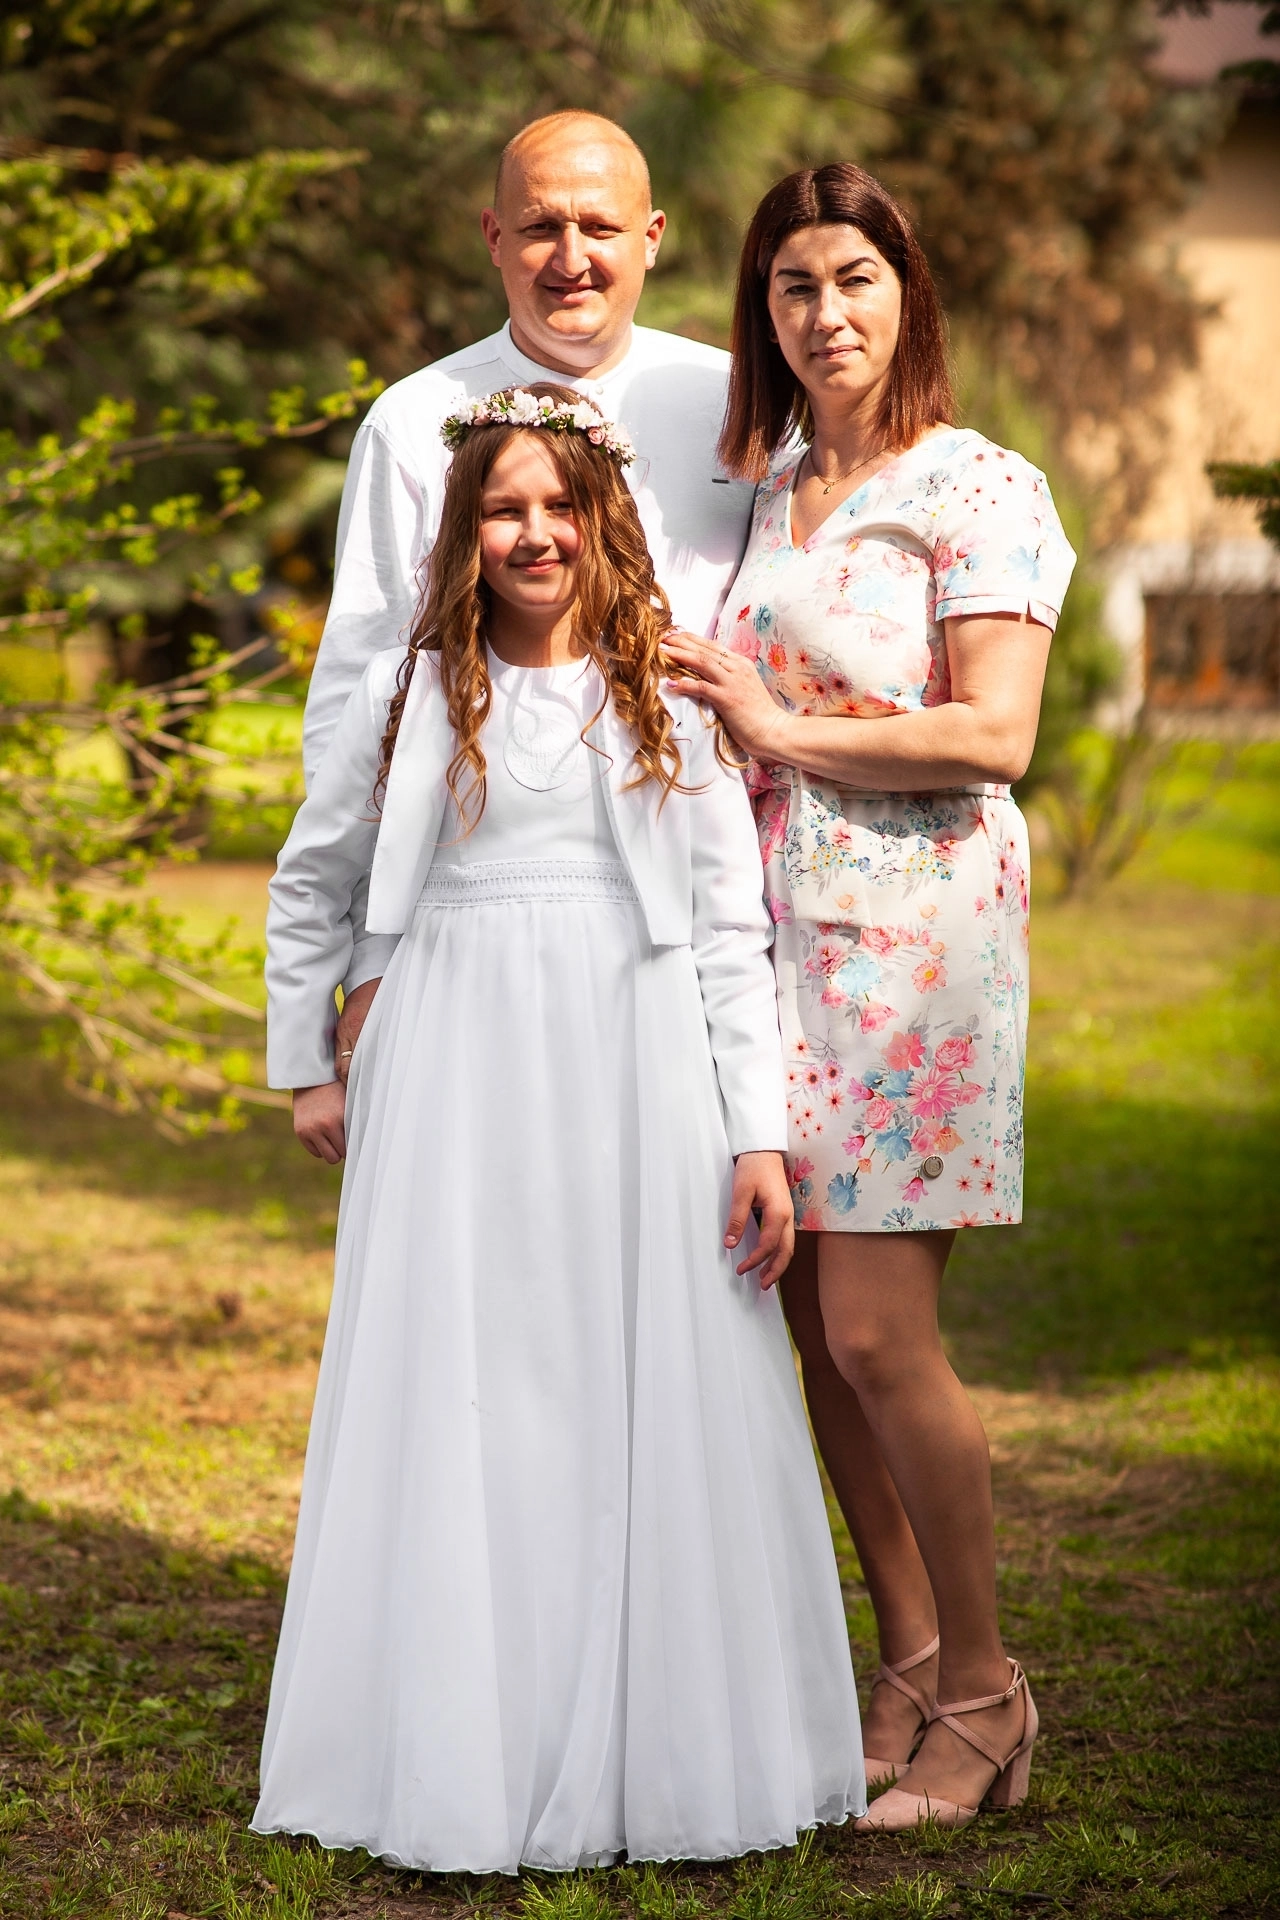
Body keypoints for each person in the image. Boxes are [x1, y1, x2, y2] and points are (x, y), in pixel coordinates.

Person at [254, 383, 864, 1872]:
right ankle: (465, 1724)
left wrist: (755, 1134)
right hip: (455, 1053)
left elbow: (727, 929)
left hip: (629, 1050)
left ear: (604, 523)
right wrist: (308, 1059)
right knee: (468, 1369)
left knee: (624, 1365)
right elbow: (323, 872)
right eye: (502, 510)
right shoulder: (417, 692)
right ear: (463, 535)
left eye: (558, 507)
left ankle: (654, 1739)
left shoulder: (662, 693)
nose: (534, 534)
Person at [665, 165, 1076, 1834]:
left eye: (855, 278)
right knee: (810, 1338)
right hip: (772, 945)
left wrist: (781, 729)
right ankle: (905, 1662)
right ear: (760, 311)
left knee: (876, 1332)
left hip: (916, 954)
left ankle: (987, 1689)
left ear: (908, 291)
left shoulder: (979, 485)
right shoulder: (763, 487)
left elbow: (998, 733)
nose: (826, 314)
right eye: (792, 286)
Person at [307, 110, 757, 1066]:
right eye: (541, 226)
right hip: (481, 913)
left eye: (599, 226)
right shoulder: (412, 421)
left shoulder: (739, 405)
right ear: (492, 235)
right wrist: (367, 955)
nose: (571, 258)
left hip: (722, 891)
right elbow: (357, 700)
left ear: (653, 237)